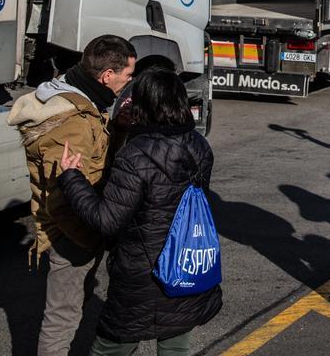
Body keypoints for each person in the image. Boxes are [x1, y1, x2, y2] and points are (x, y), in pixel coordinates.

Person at [57, 68, 221, 356]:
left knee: (109, 348)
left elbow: (107, 220)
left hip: (141, 276)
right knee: (176, 345)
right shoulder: (199, 146)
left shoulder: (137, 154)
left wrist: (72, 179)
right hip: (185, 266)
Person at [6, 35, 136, 356]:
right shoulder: (73, 123)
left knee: (74, 307)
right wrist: (92, 239)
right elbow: (64, 197)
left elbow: (95, 160)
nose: (129, 81)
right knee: (61, 318)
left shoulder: (80, 99)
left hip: (80, 228)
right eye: (127, 75)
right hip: (73, 235)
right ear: (107, 76)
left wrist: (117, 129)